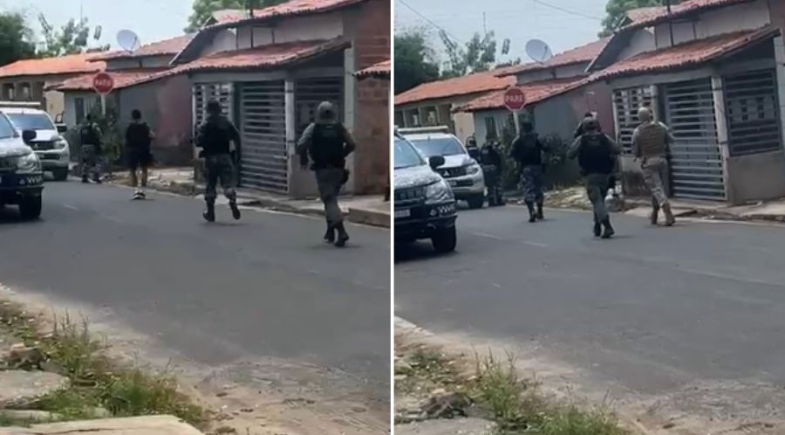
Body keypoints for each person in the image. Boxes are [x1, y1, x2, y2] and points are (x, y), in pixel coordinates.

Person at [297, 101, 357, 247]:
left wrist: (304, 159)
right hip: (338, 168)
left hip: (322, 169)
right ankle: (330, 231)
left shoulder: (313, 128)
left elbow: (301, 144)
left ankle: (341, 231)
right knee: (330, 198)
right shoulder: (339, 127)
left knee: (329, 200)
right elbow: (352, 144)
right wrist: (342, 154)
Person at [568, 117, 621, 238]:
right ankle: (597, 224)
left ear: (583, 127)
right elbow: (617, 149)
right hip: (605, 174)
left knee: (597, 201)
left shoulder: (581, 139)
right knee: (599, 200)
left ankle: (607, 226)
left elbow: (570, 154)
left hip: (590, 174)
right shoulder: (604, 137)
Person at [195, 99, 242, 223]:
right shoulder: (226, 122)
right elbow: (236, 136)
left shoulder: (205, 124)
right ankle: (232, 202)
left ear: (207, 110)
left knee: (211, 184)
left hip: (210, 157)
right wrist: (237, 154)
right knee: (228, 183)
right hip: (225, 156)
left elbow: (198, 141)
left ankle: (210, 212)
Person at [632, 107, 676, 226]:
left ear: (640, 118)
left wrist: (638, 155)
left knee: (656, 188)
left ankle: (664, 205)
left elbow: (635, 150)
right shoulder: (661, 126)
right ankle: (654, 213)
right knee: (659, 188)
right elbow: (671, 139)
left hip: (648, 162)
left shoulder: (637, 131)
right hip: (662, 160)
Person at [510, 121, 546, 222]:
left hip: (526, 168)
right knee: (538, 189)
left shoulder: (518, 140)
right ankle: (540, 211)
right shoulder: (536, 138)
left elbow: (511, 153)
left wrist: (517, 161)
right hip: (538, 166)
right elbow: (546, 148)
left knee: (529, 189)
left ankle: (532, 211)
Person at [125, 110, 154, 200]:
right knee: (144, 169)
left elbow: (126, 139)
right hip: (144, 150)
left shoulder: (129, 127)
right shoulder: (145, 126)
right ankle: (143, 191)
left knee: (132, 170)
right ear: (140, 117)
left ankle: (136, 191)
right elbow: (152, 136)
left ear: (132, 117)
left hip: (133, 151)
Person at [479, 140, 504, 206]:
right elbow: (498, 159)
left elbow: (480, 159)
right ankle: (498, 200)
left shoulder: (483, 149)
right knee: (497, 184)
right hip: (493, 168)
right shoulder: (494, 149)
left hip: (485, 168)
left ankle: (491, 201)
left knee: (490, 186)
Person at [79, 115, 103, 184]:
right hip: (92, 146)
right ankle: (96, 176)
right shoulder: (94, 125)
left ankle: (84, 175)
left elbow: (80, 136)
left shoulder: (83, 127)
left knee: (86, 162)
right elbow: (99, 135)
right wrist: (101, 143)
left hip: (84, 146)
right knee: (98, 160)